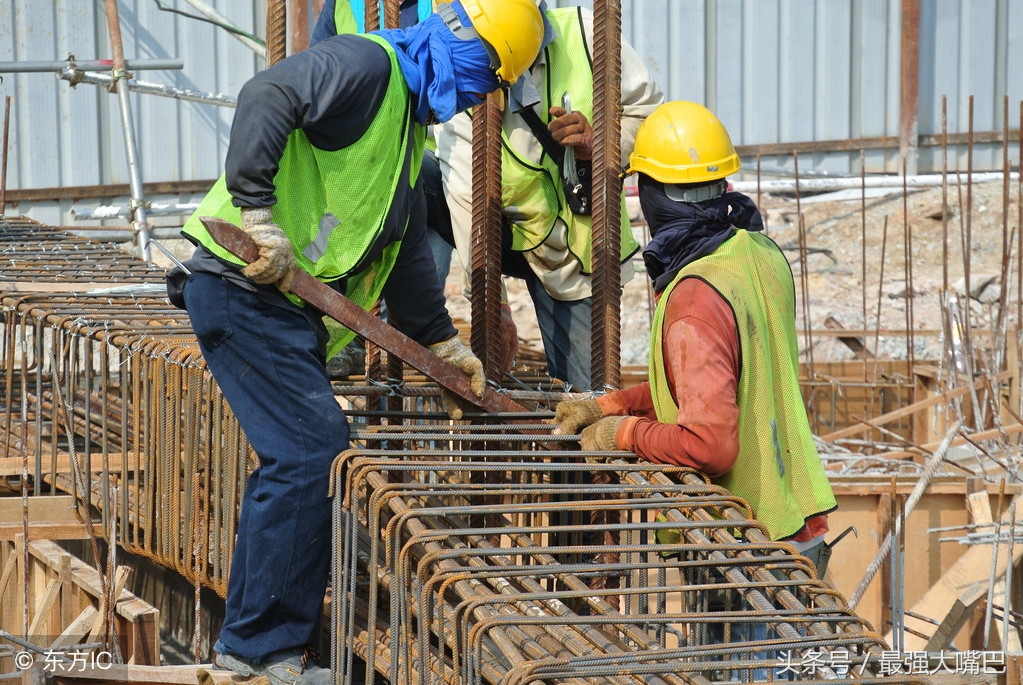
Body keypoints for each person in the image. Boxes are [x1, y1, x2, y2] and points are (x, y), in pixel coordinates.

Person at [165, 2, 544, 683]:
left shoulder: (405, 132)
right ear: (454, 37)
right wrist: (257, 213)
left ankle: (258, 644)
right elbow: (267, 93)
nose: (480, 93)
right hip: (241, 285)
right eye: (485, 71)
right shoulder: (367, 65)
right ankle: (259, 652)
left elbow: (404, 246)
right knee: (311, 450)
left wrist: (440, 342)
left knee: (299, 455)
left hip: (281, 309)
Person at [553, 101, 838, 566]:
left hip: (744, 549)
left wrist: (623, 433)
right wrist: (608, 406)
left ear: (652, 195)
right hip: (799, 526)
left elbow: (709, 445)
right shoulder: (759, 252)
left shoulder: (693, 298)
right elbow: (715, 386)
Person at [425, 2, 665, 390]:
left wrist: (600, 143)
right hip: (503, 231)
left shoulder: (587, 32)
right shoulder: (464, 64)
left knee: (586, 399)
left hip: (578, 250)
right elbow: (465, 197)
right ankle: (393, 323)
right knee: (418, 176)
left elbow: (651, 116)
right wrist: (493, 305)